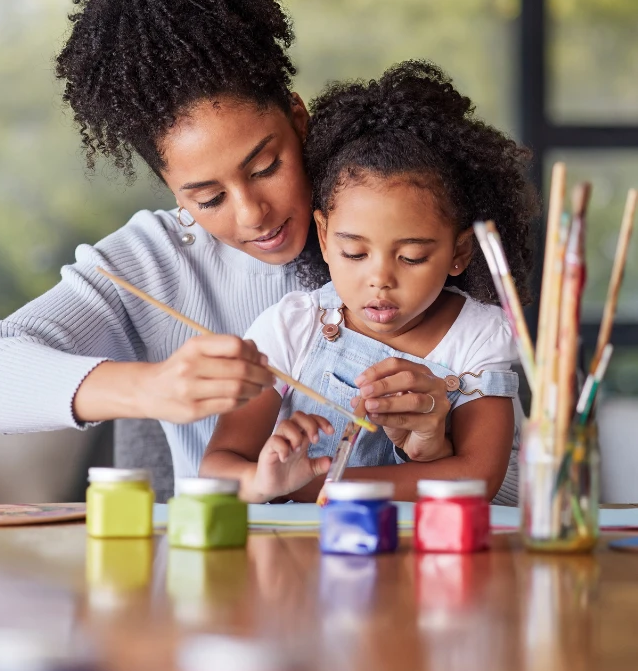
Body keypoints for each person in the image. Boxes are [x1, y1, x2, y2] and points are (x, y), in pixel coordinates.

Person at [0, 0, 454, 483]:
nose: (252, 213)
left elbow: (512, 485)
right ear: (171, 190)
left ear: (298, 118)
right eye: (208, 197)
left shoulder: (403, 228)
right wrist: (149, 388)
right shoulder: (156, 262)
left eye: (265, 168)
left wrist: (437, 436)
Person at [201, 61, 539, 504]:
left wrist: (313, 485)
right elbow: (218, 467)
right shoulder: (293, 329)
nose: (379, 279)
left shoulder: (477, 335)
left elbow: (477, 477)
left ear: (459, 253)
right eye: (354, 253)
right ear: (324, 237)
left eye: (413, 257)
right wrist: (265, 481)